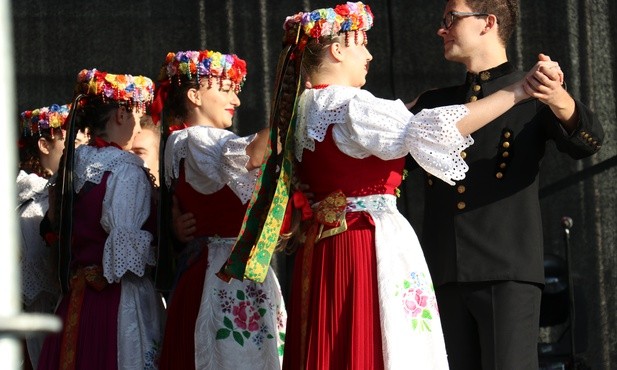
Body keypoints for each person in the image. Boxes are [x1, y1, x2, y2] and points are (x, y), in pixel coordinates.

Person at [227, 2, 567, 369]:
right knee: (373, 344)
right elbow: (430, 129)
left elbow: (258, 157)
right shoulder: (352, 105)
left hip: (324, 247)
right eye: (361, 44)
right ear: (338, 49)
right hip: (363, 243)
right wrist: (519, 90)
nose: (370, 54)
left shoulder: (306, 107)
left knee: (333, 344)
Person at [406, 1, 604, 369]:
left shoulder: (532, 90)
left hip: (506, 271)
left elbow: (587, 142)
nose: (441, 28)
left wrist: (560, 99)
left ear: (488, 23)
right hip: (443, 273)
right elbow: (387, 152)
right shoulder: (436, 105)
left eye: (451, 18)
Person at [152, 50, 286, 370]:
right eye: (225, 90)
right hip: (219, 277)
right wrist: (292, 114)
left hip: (226, 270)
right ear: (195, 95)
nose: (236, 101)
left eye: (235, 92)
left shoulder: (184, 142)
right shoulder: (195, 139)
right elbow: (250, 156)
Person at [37, 68, 165, 370]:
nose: (138, 123)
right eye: (136, 112)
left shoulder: (72, 164)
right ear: (121, 114)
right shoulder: (125, 169)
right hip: (116, 300)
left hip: (75, 300)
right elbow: (126, 254)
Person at [17, 104, 72, 369]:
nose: (79, 143)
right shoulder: (34, 202)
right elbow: (41, 288)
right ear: (44, 145)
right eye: (70, 136)